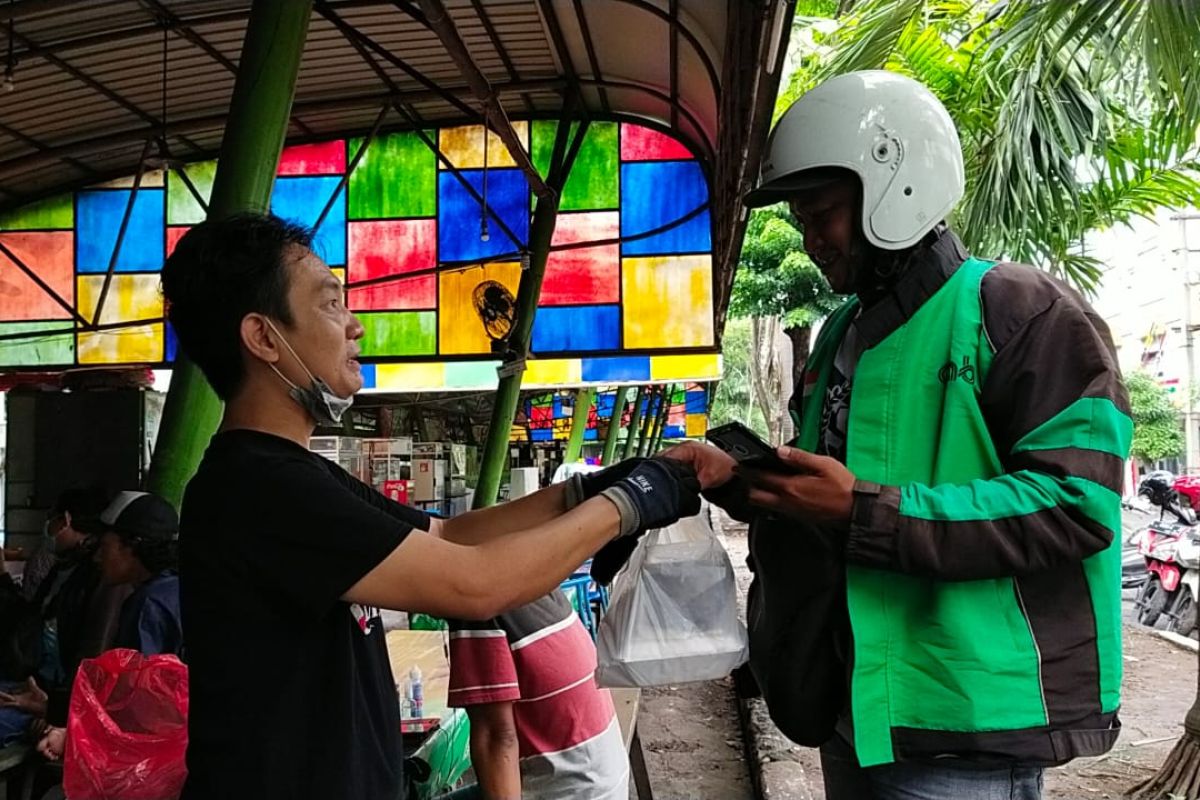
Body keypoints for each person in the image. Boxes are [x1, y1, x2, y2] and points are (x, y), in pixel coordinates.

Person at [669, 71, 1130, 800]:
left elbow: (1078, 504)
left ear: (897, 180)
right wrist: (742, 481)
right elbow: (828, 499)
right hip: (856, 705)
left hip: (965, 724)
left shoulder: (1020, 311)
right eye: (799, 219)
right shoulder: (839, 337)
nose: (811, 238)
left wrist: (863, 511)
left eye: (822, 212)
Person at [159, 213, 700, 800]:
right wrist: (633, 501)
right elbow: (476, 584)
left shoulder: (296, 474)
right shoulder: (257, 487)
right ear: (264, 337)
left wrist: (588, 491)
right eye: (331, 304)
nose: (355, 326)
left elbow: (451, 535)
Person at [34, 489, 184, 764]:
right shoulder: (175, 590)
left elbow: (138, 704)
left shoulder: (148, 604)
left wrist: (75, 733)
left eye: (105, 547)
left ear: (131, 546)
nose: (97, 558)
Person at [444, 586, 629, 800]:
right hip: (602, 782)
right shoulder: (541, 590)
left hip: (571, 791)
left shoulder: (479, 610)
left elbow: (496, 739)